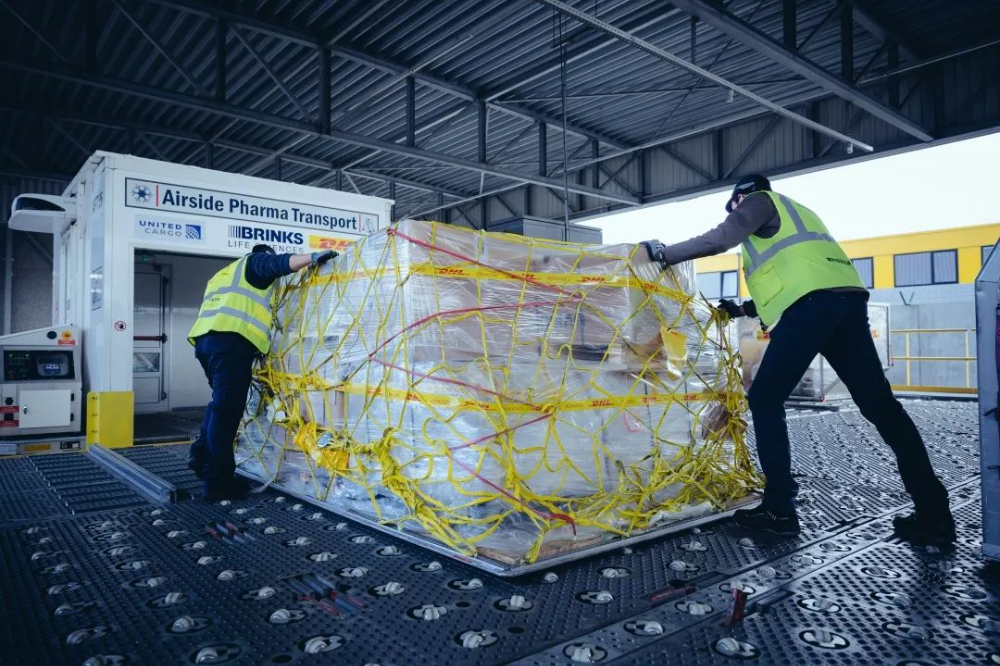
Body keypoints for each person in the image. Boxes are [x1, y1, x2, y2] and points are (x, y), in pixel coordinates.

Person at [642, 174, 955, 545]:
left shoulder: (759, 201)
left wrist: (662, 254)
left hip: (813, 308)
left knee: (764, 398)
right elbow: (798, 275)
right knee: (881, 406)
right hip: (845, 304)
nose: (734, 212)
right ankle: (934, 511)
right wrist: (743, 308)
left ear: (741, 196)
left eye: (733, 205)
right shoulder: (800, 215)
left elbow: (719, 240)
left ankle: (779, 509)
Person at [187, 244, 337, 501]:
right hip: (230, 344)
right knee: (227, 412)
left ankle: (199, 456)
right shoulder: (254, 263)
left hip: (206, 343)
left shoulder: (222, 274)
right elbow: (277, 264)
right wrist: (312, 257)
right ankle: (217, 483)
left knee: (219, 405)